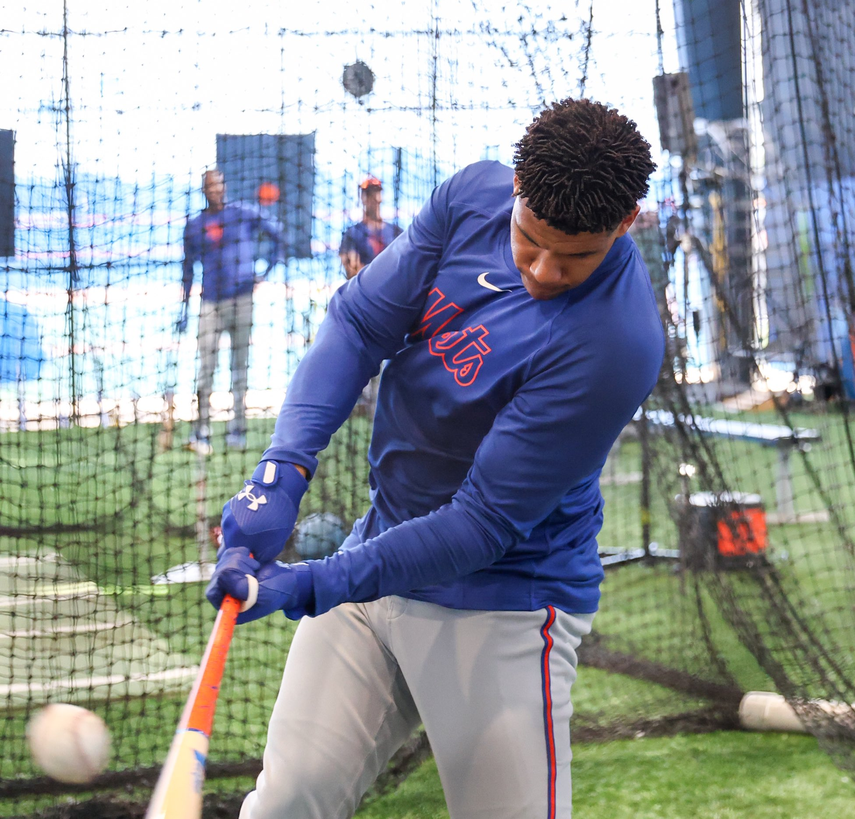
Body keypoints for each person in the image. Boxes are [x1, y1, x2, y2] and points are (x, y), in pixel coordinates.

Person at [206, 98, 665, 819]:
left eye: (575, 256)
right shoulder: (473, 196)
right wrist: (282, 470)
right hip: (379, 550)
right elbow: (359, 324)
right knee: (285, 803)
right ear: (516, 187)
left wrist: (317, 581)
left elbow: (481, 524)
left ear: (627, 220)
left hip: (503, 603)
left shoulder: (617, 343)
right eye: (529, 241)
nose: (544, 271)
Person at [178, 169, 285, 453]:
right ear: (204, 190)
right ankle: (202, 431)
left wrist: (265, 272)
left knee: (240, 368)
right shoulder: (195, 225)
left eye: (218, 185)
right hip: (210, 301)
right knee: (206, 368)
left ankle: (237, 429)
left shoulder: (243, 214)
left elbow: (277, 235)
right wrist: (183, 309)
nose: (215, 190)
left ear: (224, 187)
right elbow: (187, 270)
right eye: (209, 186)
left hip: (241, 299)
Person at [338, 175, 403, 279]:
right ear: (362, 198)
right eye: (368, 194)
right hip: (364, 287)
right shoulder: (352, 234)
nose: (373, 198)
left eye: (376, 192)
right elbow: (351, 271)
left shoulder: (396, 232)